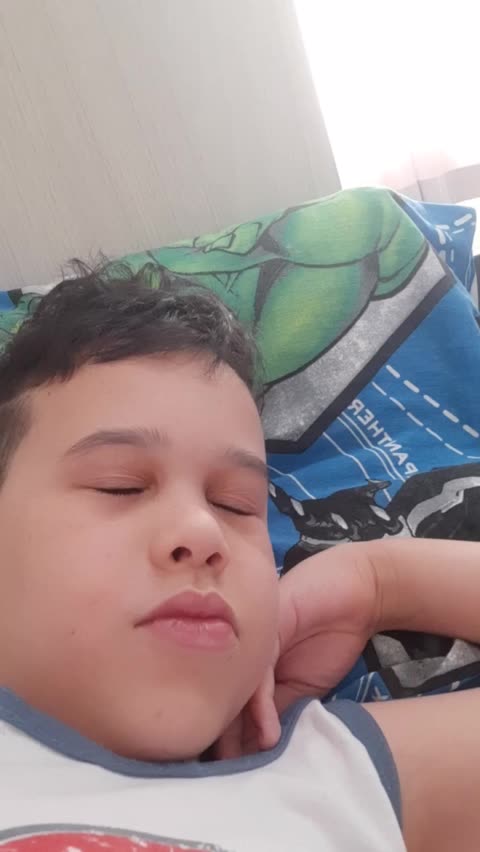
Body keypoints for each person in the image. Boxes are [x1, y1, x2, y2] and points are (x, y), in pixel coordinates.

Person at [0, 262, 478, 852]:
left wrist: (376, 582)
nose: (204, 531)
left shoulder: (332, 781)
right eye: (120, 486)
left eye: (235, 505)